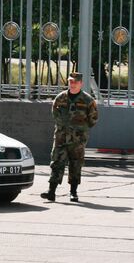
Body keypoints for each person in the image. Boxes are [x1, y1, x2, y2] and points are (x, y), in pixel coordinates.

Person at [41, 72, 98, 202]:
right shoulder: (61, 98)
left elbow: (93, 119)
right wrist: (63, 127)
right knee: (56, 162)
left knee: (75, 164)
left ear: (80, 84)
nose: (72, 84)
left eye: (75, 82)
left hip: (77, 139)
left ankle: (73, 192)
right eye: (70, 81)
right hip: (61, 137)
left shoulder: (88, 100)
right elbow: (54, 113)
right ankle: (51, 192)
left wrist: (80, 130)